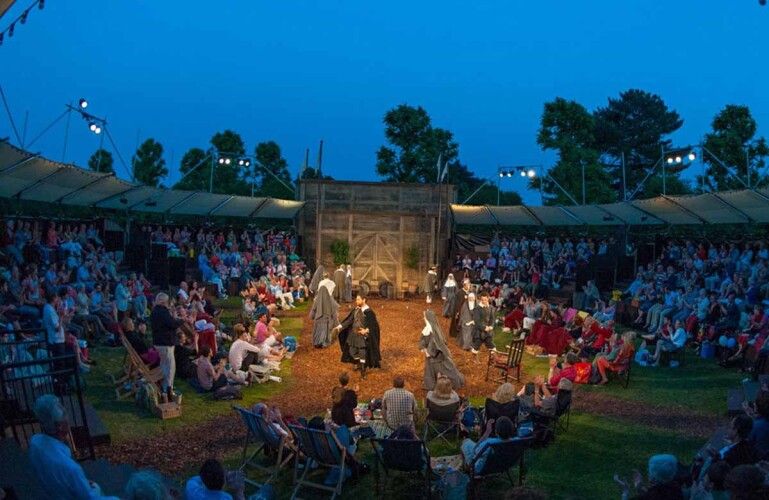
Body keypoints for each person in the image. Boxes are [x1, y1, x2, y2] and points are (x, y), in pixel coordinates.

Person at [28, 395, 118, 499]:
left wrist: (79, 483)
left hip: (50, 493)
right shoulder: (71, 469)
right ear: (60, 426)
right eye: (65, 414)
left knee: (95, 486)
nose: (68, 416)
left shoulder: (35, 442)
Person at [334, 293, 381, 379]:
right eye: (356, 299)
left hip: (363, 337)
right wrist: (340, 326)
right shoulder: (355, 310)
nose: (356, 301)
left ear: (364, 300)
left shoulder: (369, 312)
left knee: (362, 353)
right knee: (352, 352)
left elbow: (373, 326)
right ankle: (360, 363)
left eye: (358, 299)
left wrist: (366, 330)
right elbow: (349, 321)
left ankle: (363, 370)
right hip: (353, 335)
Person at [151, 293, 184, 400]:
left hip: (159, 342)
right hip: (165, 343)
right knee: (169, 367)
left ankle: (165, 388)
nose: (167, 304)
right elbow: (172, 324)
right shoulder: (162, 312)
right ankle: (168, 389)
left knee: (165, 365)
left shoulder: (155, 311)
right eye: (166, 302)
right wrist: (181, 320)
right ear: (162, 302)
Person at [420, 310, 464, 390]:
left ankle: (456, 382)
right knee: (429, 370)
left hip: (439, 357)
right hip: (432, 356)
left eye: (424, 317)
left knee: (448, 371)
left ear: (428, 318)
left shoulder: (434, 330)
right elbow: (424, 338)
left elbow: (435, 343)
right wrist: (423, 347)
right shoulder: (428, 328)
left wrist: (428, 352)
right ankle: (429, 385)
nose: (423, 318)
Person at [615, 454, 683, 500]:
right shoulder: (676, 489)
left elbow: (651, 496)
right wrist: (640, 488)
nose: (647, 470)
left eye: (649, 470)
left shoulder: (646, 497)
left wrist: (625, 492)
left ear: (654, 478)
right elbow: (658, 494)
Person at [471, 292, 495, 356]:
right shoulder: (477, 309)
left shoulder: (491, 308)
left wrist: (491, 326)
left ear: (488, 299)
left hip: (488, 331)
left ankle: (492, 358)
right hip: (479, 330)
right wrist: (484, 328)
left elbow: (492, 318)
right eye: (482, 300)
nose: (484, 301)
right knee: (477, 345)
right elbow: (477, 321)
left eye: (485, 300)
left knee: (490, 344)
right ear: (480, 299)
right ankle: (474, 358)